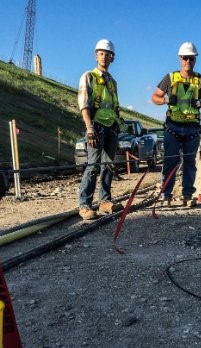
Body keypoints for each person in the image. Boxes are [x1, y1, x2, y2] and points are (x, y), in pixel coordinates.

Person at [151, 41, 201, 206]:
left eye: (191, 58)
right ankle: (166, 195)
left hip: (192, 129)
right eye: (185, 58)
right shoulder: (170, 78)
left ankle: (187, 195)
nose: (188, 61)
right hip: (172, 127)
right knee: (170, 161)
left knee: (189, 163)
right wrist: (166, 100)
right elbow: (154, 97)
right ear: (180, 58)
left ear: (195, 60)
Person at [77, 39, 122, 220]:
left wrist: (118, 128)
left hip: (111, 128)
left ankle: (105, 201)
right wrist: (89, 128)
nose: (104, 56)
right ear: (96, 56)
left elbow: (114, 106)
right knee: (93, 165)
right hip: (95, 127)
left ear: (113, 58)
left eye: (108, 54)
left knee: (108, 166)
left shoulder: (112, 82)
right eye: (101, 53)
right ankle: (84, 204)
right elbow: (84, 104)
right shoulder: (89, 76)